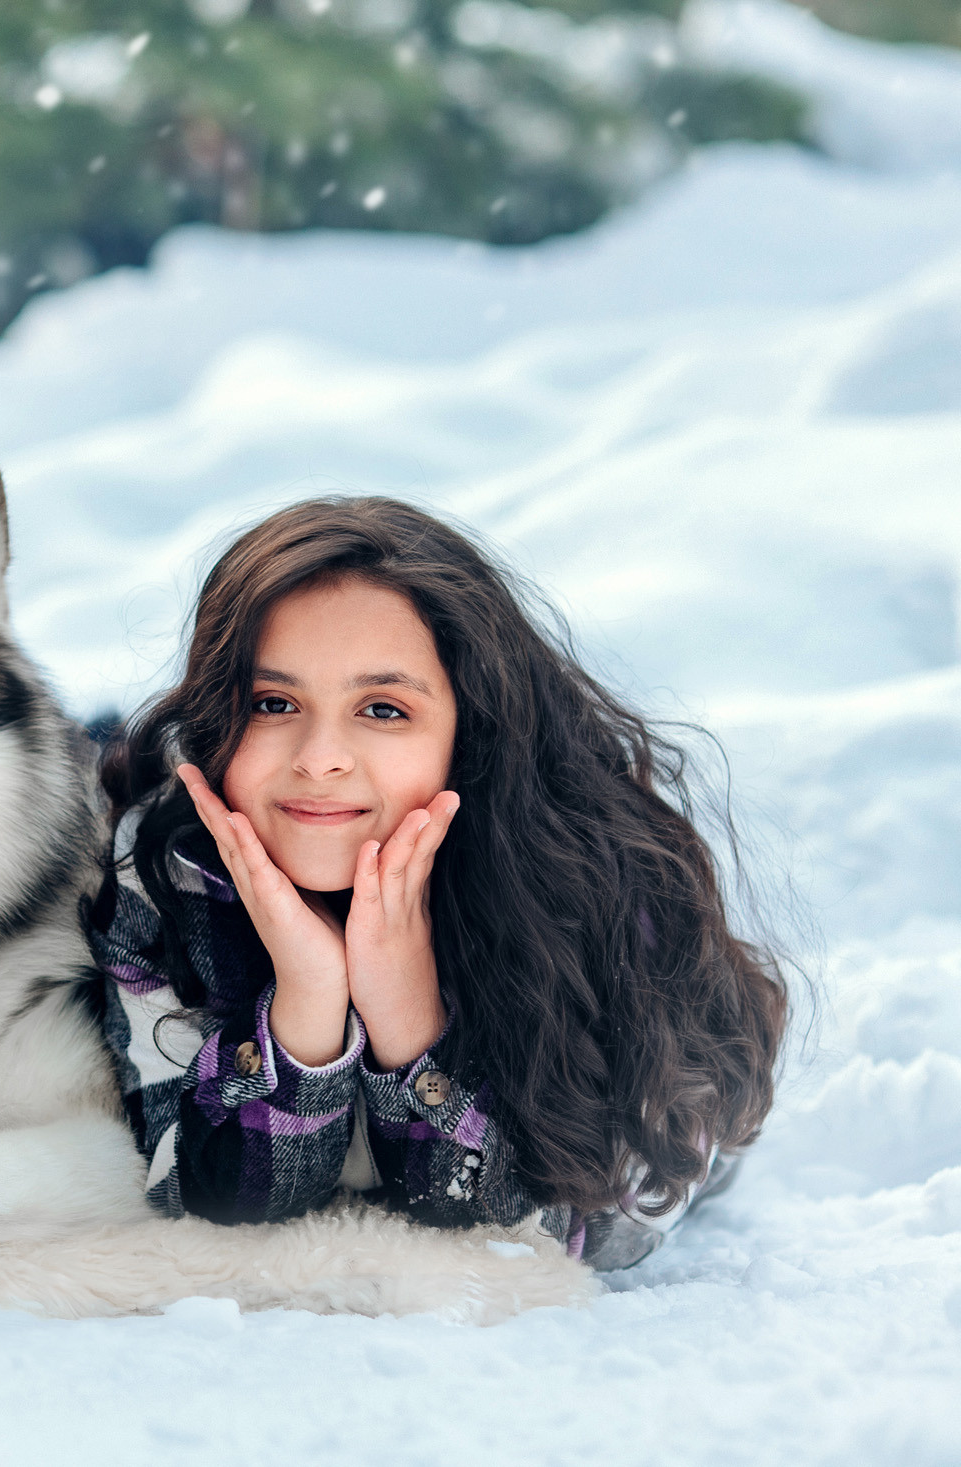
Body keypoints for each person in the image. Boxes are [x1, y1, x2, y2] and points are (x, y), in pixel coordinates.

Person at [90, 499, 789, 1269]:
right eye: (273, 703)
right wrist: (305, 1017)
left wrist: (411, 1027)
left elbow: (567, 1240)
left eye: (383, 709)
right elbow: (201, 1203)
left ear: (471, 729)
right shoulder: (169, 859)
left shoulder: (594, 876)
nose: (321, 757)